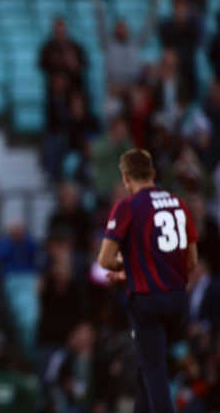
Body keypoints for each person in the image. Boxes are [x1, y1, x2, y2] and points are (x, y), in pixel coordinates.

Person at [97, 149, 198, 413]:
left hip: (148, 301)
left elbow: (105, 260)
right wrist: (136, 268)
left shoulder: (128, 207)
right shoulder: (180, 203)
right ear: (153, 173)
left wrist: (125, 266)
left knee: (154, 372)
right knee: (148, 366)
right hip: (179, 301)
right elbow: (191, 262)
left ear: (126, 177)